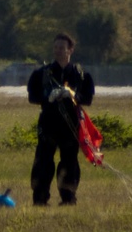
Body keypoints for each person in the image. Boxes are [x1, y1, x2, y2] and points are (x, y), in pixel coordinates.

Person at [27, 32, 95, 206]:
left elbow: (87, 98)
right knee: (43, 161)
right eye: (55, 47)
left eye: (62, 48)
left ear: (70, 50)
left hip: (70, 125)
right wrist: (47, 97)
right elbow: (32, 97)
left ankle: (68, 198)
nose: (58, 51)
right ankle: (40, 199)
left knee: (69, 163)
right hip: (48, 124)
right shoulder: (41, 73)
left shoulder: (81, 75)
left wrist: (73, 95)